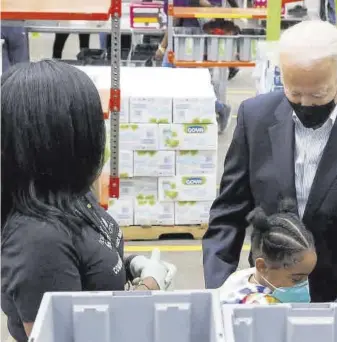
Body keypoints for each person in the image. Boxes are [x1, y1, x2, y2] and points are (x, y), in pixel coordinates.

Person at [202, 21, 337, 305]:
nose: (305, 104)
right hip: (266, 297)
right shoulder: (256, 118)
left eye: (317, 95)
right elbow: (227, 216)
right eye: (294, 93)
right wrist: (222, 294)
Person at [1, 60, 176, 342]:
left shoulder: (68, 191)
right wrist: (148, 289)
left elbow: (84, 263)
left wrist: (128, 266)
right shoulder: (38, 242)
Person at [156, 0, 233, 134]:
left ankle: (220, 108)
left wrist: (162, 47)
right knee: (187, 81)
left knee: (184, 81)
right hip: (188, 35)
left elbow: (175, 18)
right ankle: (217, 108)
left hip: (189, 37)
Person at [219, 200, 316, 304]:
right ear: (262, 266)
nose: (304, 287)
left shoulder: (240, 277)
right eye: (296, 279)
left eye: (307, 278)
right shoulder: (263, 306)